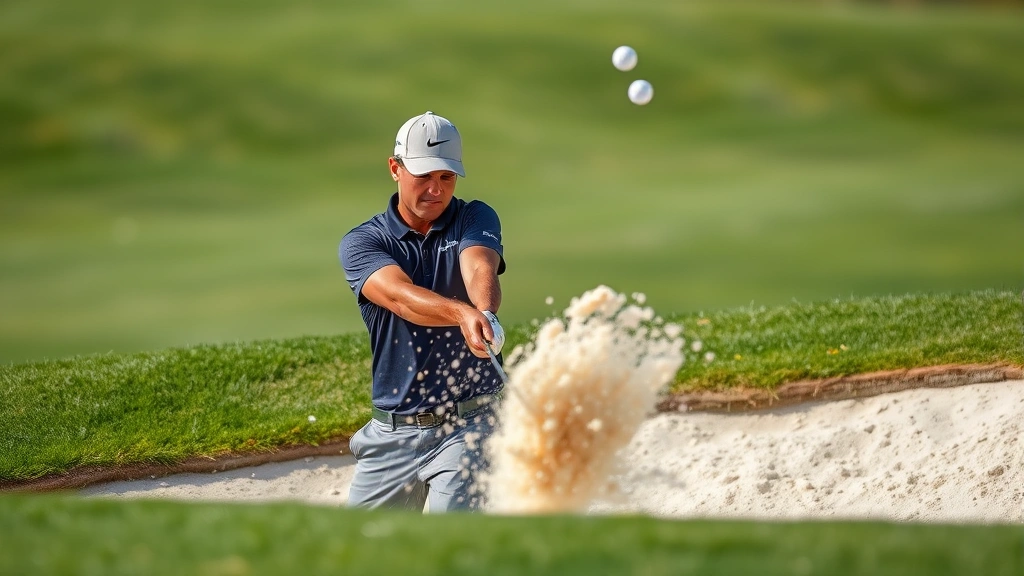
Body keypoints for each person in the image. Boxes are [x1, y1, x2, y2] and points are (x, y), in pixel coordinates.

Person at [338, 111, 506, 512]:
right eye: (424, 175)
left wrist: (484, 312)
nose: (436, 189)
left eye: (446, 177)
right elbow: (400, 297)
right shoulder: (363, 241)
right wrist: (462, 316)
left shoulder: (474, 216)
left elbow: (479, 264)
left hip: (471, 423)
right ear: (395, 169)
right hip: (392, 433)